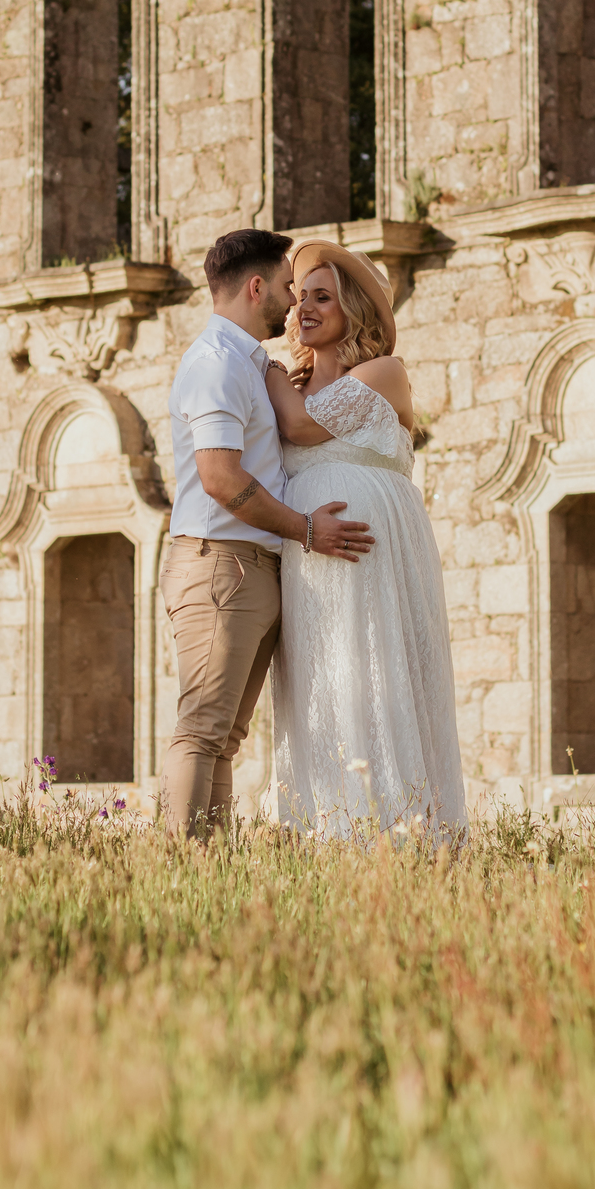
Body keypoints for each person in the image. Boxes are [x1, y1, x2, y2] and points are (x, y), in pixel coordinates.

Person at [160, 228, 374, 837]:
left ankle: (210, 870)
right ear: (256, 288)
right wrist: (306, 529)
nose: (292, 301)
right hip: (220, 565)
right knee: (203, 728)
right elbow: (222, 479)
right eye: (285, 286)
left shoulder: (251, 366)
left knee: (225, 736)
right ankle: (178, 870)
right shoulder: (215, 365)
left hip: (249, 566)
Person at [264, 241, 467, 838]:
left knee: (379, 674)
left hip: (372, 556)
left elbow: (301, 426)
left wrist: (266, 368)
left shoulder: (383, 372)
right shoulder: (291, 384)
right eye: (299, 298)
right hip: (310, 563)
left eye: (321, 297)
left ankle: (402, 831)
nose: (305, 308)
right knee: (322, 682)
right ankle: (327, 829)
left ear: (353, 309)